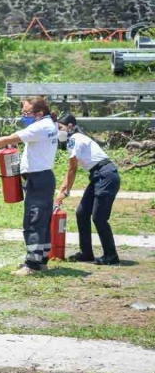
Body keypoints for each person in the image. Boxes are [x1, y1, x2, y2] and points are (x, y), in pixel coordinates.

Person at [0, 97, 58, 276]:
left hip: (38, 179)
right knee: (42, 220)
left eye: (27, 113)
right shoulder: (49, 124)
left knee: (34, 220)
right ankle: (40, 260)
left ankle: (32, 266)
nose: (23, 116)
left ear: (39, 114)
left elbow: (9, 138)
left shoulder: (39, 127)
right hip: (42, 178)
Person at [54, 113, 121, 265]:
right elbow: (70, 170)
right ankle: (86, 253)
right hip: (98, 175)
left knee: (99, 218)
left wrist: (65, 191)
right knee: (82, 212)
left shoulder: (74, 139)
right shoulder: (75, 139)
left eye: (60, 128)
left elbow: (72, 169)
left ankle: (111, 255)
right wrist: (63, 189)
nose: (59, 132)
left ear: (70, 126)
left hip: (106, 175)